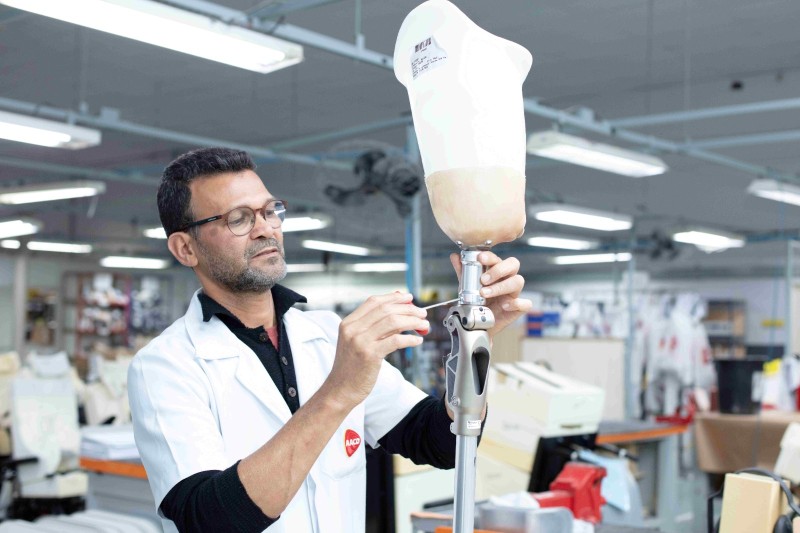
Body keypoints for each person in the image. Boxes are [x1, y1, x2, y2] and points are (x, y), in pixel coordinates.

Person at [128, 147, 532, 533]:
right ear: (186, 248)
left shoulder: (324, 333)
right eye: (239, 219)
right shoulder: (166, 365)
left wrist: (475, 340)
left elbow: (440, 442)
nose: (265, 229)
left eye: (269, 211)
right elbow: (209, 521)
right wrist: (339, 391)